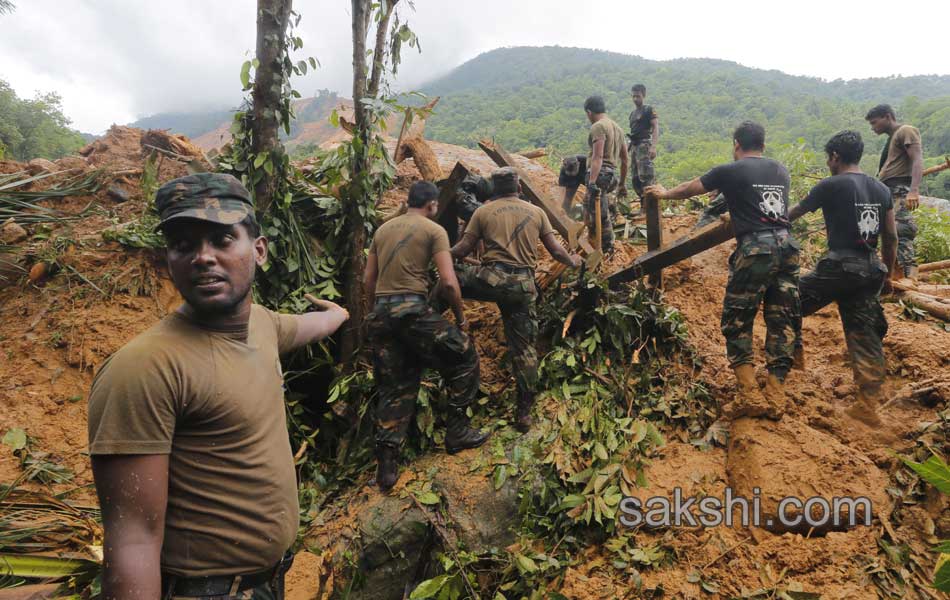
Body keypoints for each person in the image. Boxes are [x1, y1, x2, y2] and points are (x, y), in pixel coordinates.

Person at [88, 173, 349, 600]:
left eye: (222, 239)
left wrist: (338, 314)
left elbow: (303, 326)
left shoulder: (261, 325)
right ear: (168, 258)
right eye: (184, 245)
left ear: (258, 250)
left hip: (266, 581)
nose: (202, 257)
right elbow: (132, 539)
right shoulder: (145, 368)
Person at [645, 121, 800, 420]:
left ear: (736, 144)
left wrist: (663, 194)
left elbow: (691, 188)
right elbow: (769, 208)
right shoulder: (781, 170)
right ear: (763, 146)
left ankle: (749, 392)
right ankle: (776, 392)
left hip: (757, 250)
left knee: (737, 318)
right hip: (788, 249)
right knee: (781, 319)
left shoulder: (729, 170)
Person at [364, 181, 489, 491]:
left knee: (397, 385)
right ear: (432, 205)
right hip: (412, 312)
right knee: (464, 357)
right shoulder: (434, 231)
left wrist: (374, 315)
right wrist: (460, 318)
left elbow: (368, 279)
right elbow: (448, 282)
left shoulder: (382, 230)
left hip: (381, 316)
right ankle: (457, 431)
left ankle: (387, 466)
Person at [450, 167, 581, 431]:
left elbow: (462, 250)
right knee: (524, 350)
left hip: (490, 280)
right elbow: (555, 251)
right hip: (522, 286)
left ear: (494, 190)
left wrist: (438, 254)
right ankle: (523, 414)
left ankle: (432, 312)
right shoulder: (537, 212)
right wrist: (574, 261)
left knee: (449, 277)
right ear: (519, 188)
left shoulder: (482, 212)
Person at [788, 130, 897, 426]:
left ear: (835, 156)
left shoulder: (830, 185)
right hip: (870, 270)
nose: (828, 163)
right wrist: (887, 274)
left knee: (785, 301)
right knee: (864, 334)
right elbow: (891, 238)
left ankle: (793, 370)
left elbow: (791, 215)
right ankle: (868, 405)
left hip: (838, 267)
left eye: (828, 158)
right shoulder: (881, 189)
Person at [558, 95, 629, 252]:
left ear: (589, 112)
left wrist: (591, 182)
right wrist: (622, 184)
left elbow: (598, 156)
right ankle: (604, 247)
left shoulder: (598, 126)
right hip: (611, 176)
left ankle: (604, 249)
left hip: (600, 174)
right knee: (598, 211)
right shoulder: (618, 128)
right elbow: (625, 159)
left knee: (594, 216)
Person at [866, 104, 924, 279]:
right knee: (884, 232)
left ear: (887, 116)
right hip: (887, 191)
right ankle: (892, 276)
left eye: (875, 123)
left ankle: (910, 278)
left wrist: (913, 191)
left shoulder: (906, 130)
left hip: (900, 189)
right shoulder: (892, 138)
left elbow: (917, 159)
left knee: (902, 229)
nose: (873, 127)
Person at [627, 83, 659, 210]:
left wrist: (653, 147)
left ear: (643, 95)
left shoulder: (648, 109)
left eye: (638, 96)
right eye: (633, 96)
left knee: (646, 176)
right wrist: (626, 150)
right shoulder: (632, 114)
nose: (635, 99)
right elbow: (633, 134)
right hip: (634, 147)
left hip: (644, 145)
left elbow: (656, 127)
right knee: (635, 178)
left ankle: (650, 208)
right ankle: (643, 205)